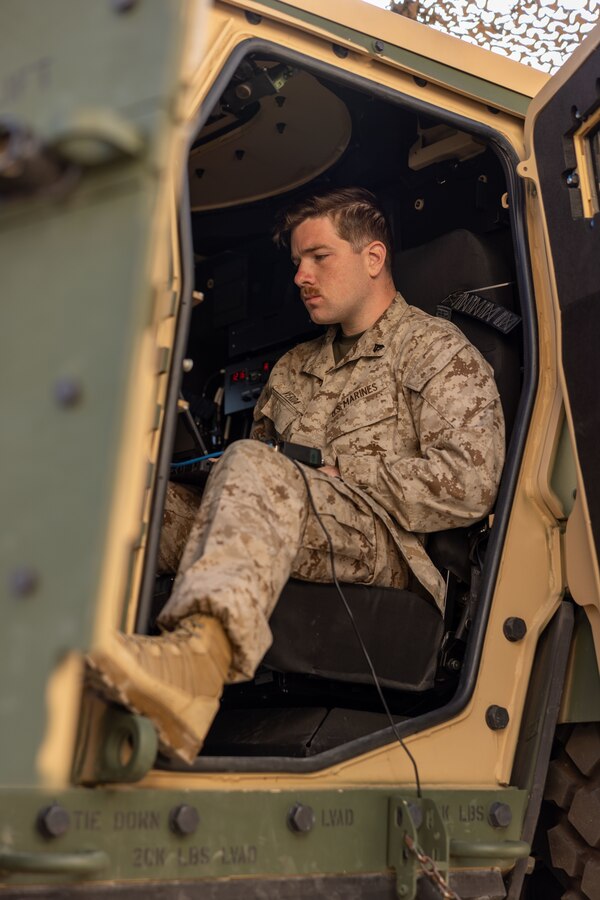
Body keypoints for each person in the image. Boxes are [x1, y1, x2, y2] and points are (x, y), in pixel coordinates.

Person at [88, 187, 505, 764]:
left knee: (257, 463)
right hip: (289, 524)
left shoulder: (435, 353)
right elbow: (252, 481)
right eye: (296, 263)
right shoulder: (292, 368)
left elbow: (470, 484)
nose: (301, 276)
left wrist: (342, 471)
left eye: (319, 258)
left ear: (374, 258)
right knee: (139, 499)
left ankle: (193, 671)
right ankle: (82, 662)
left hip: (388, 550)